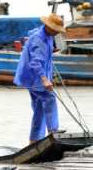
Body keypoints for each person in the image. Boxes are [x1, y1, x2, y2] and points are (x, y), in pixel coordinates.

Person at [14, 13, 65, 144]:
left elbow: (42, 56)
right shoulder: (39, 39)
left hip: (32, 76)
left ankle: (34, 140)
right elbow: (35, 63)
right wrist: (44, 79)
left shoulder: (46, 35)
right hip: (33, 77)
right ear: (49, 27)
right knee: (49, 98)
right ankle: (53, 130)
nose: (56, 33)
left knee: (39, 108)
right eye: (56, 30)